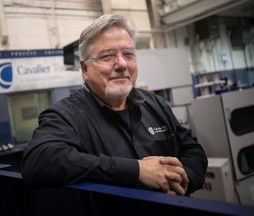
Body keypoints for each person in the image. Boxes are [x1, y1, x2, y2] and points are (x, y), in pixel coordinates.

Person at [21, 14, 208, 196]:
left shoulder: (156, 104)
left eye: (128, 54)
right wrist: (137, 171)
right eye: (108, 56)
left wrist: (181, 181)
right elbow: (38, 162)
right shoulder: (65, 116)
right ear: (85, 69)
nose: (121, 64)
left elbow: (193, 151)